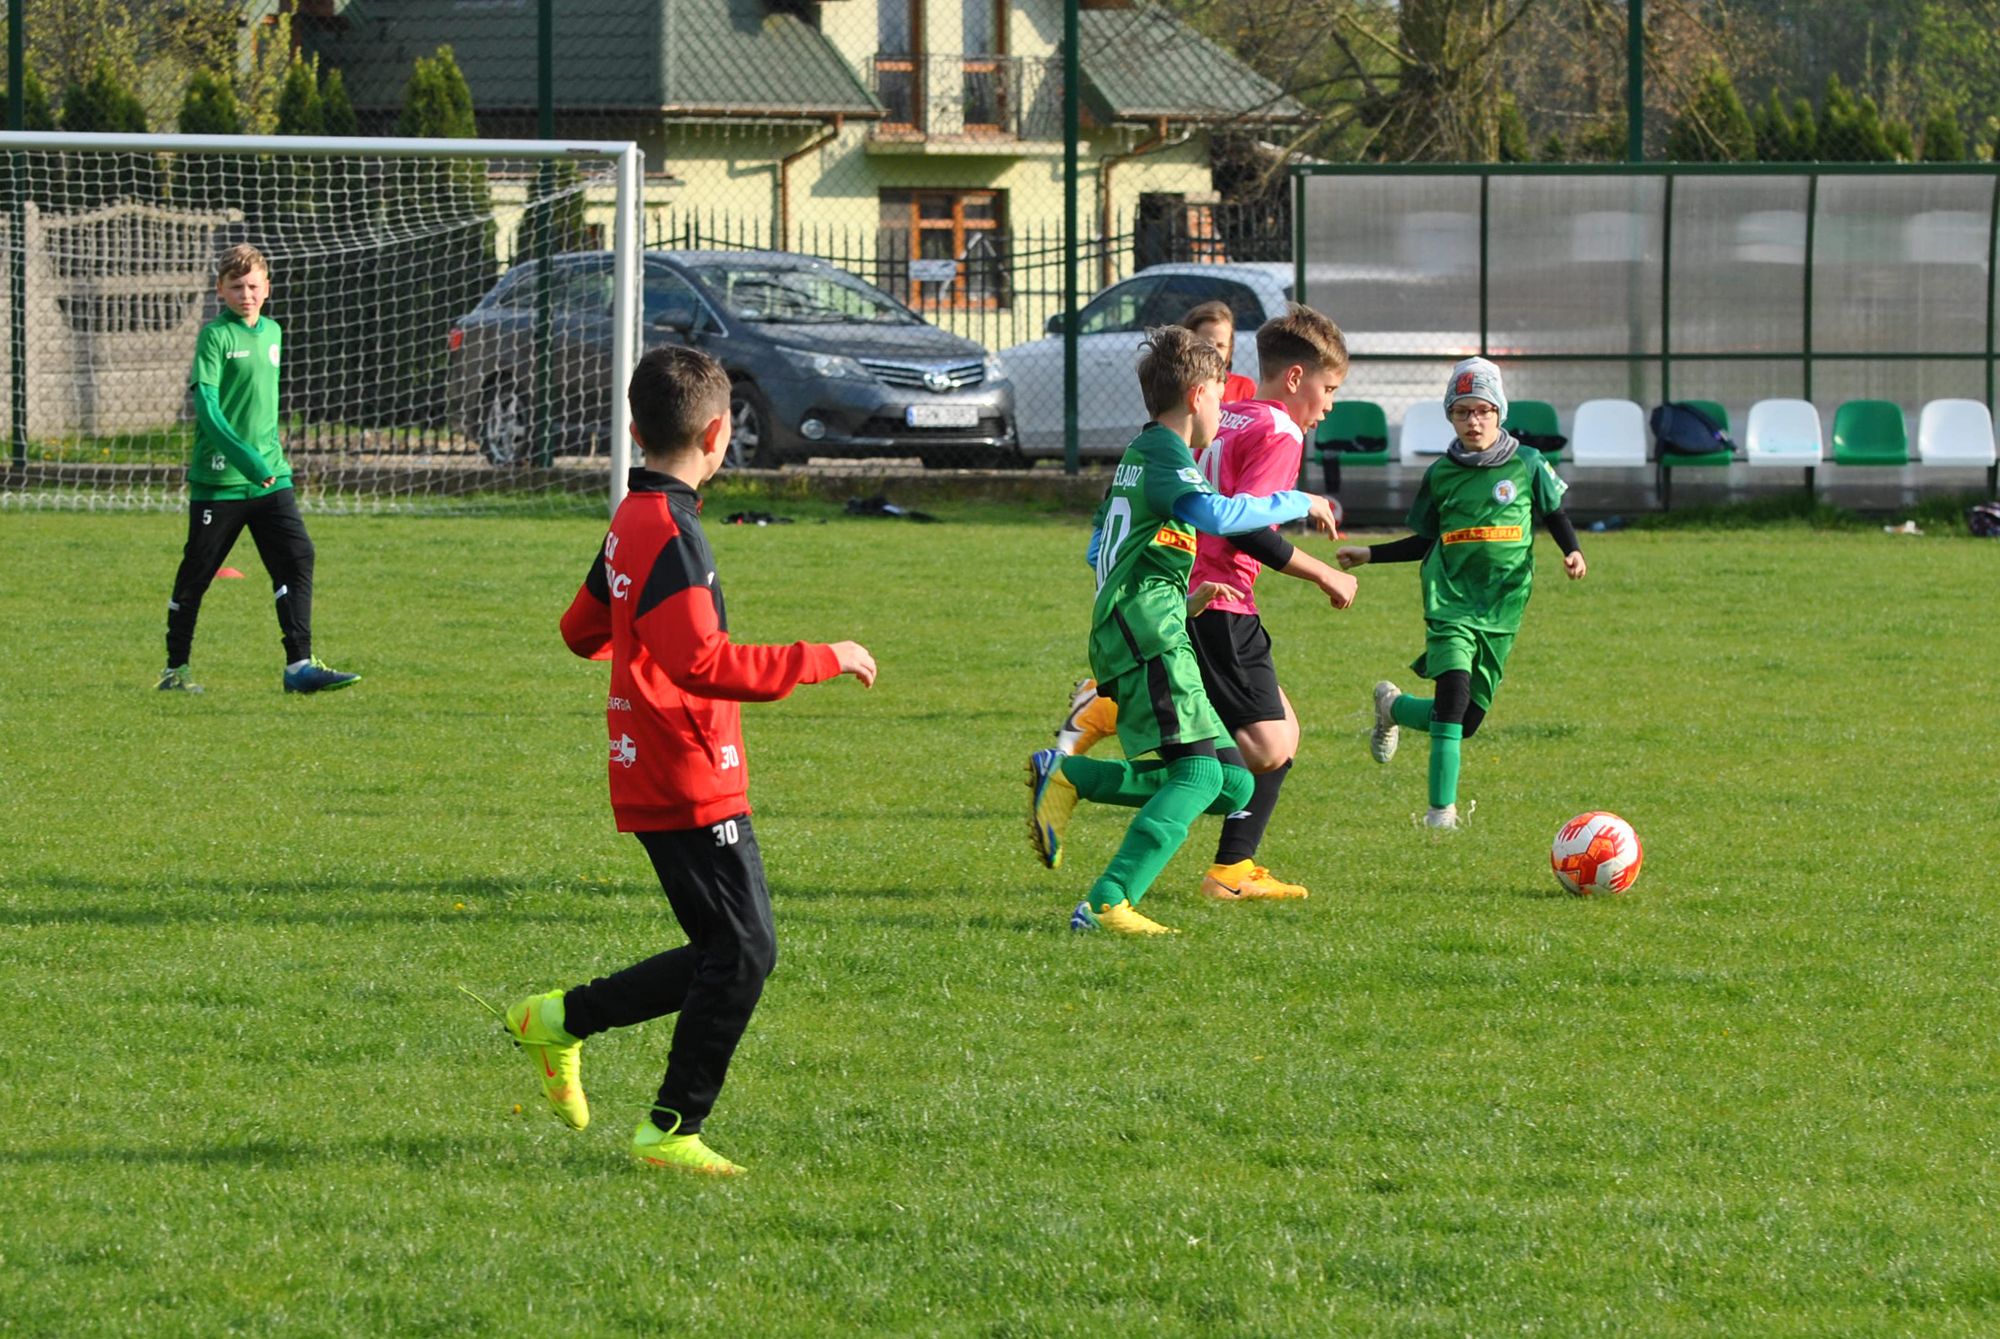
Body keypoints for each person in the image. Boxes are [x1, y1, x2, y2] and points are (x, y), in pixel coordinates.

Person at [497, 345, 876, 1175]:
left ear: (635, 430)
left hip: (652, 759)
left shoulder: (633, 520)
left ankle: (559, 1020)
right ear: (718, 433)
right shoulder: (672, 533)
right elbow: (705, 662)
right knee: (743, 952)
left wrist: (637, 654)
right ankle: (669, 1128)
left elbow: (580, 630)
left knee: (728, 949)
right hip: (686, 769)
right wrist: (825, 654)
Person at [1027, 325, 1338, 934]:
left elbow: (1102, 547)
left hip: (1155, 626)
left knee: (1231, 783)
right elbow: (1217, 515)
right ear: (1198, 395)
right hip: (1150, 639)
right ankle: (1107, 902)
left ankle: (1072, 775)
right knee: (1197, 774)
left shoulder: (1139, 455)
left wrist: (1179, 594)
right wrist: (1298, 500)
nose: (1223, 410)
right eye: (1221, 397)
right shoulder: (1166, 456)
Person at [1335, 357, 1585, 829]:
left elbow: (1556, 514)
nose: (1474, 421)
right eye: (1463, 411)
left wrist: (1572, 551)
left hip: (1503, 608)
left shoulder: (1528, 463)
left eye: (1483, 411)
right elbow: (1426, 540)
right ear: (1451, 416)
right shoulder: (1441, 475)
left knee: (1466, 721)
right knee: (1452, 697)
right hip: (1449, 601)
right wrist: (1370, 553)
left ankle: (1392, 707)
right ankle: (1439, 815)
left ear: (1499, 413)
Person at [158, 243, 358, 694]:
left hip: (270, 477)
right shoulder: (216, 337)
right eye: (236, 287)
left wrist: (264, 461)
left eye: (252, 286)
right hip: (221, 479)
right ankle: (175, 670)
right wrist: (244, 459)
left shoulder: (272, 332)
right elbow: (208, 407)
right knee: (198, 573)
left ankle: (299, 667)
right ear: (220, 291)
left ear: (266, 288)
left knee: (297, 555)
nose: (245, 294)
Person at [1183, 299, 1257, 404]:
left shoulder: (1244, 388)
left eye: (1221, 346)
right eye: (1205, 345)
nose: (1213, 353)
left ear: (1229, 350)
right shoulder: (1181, 388)